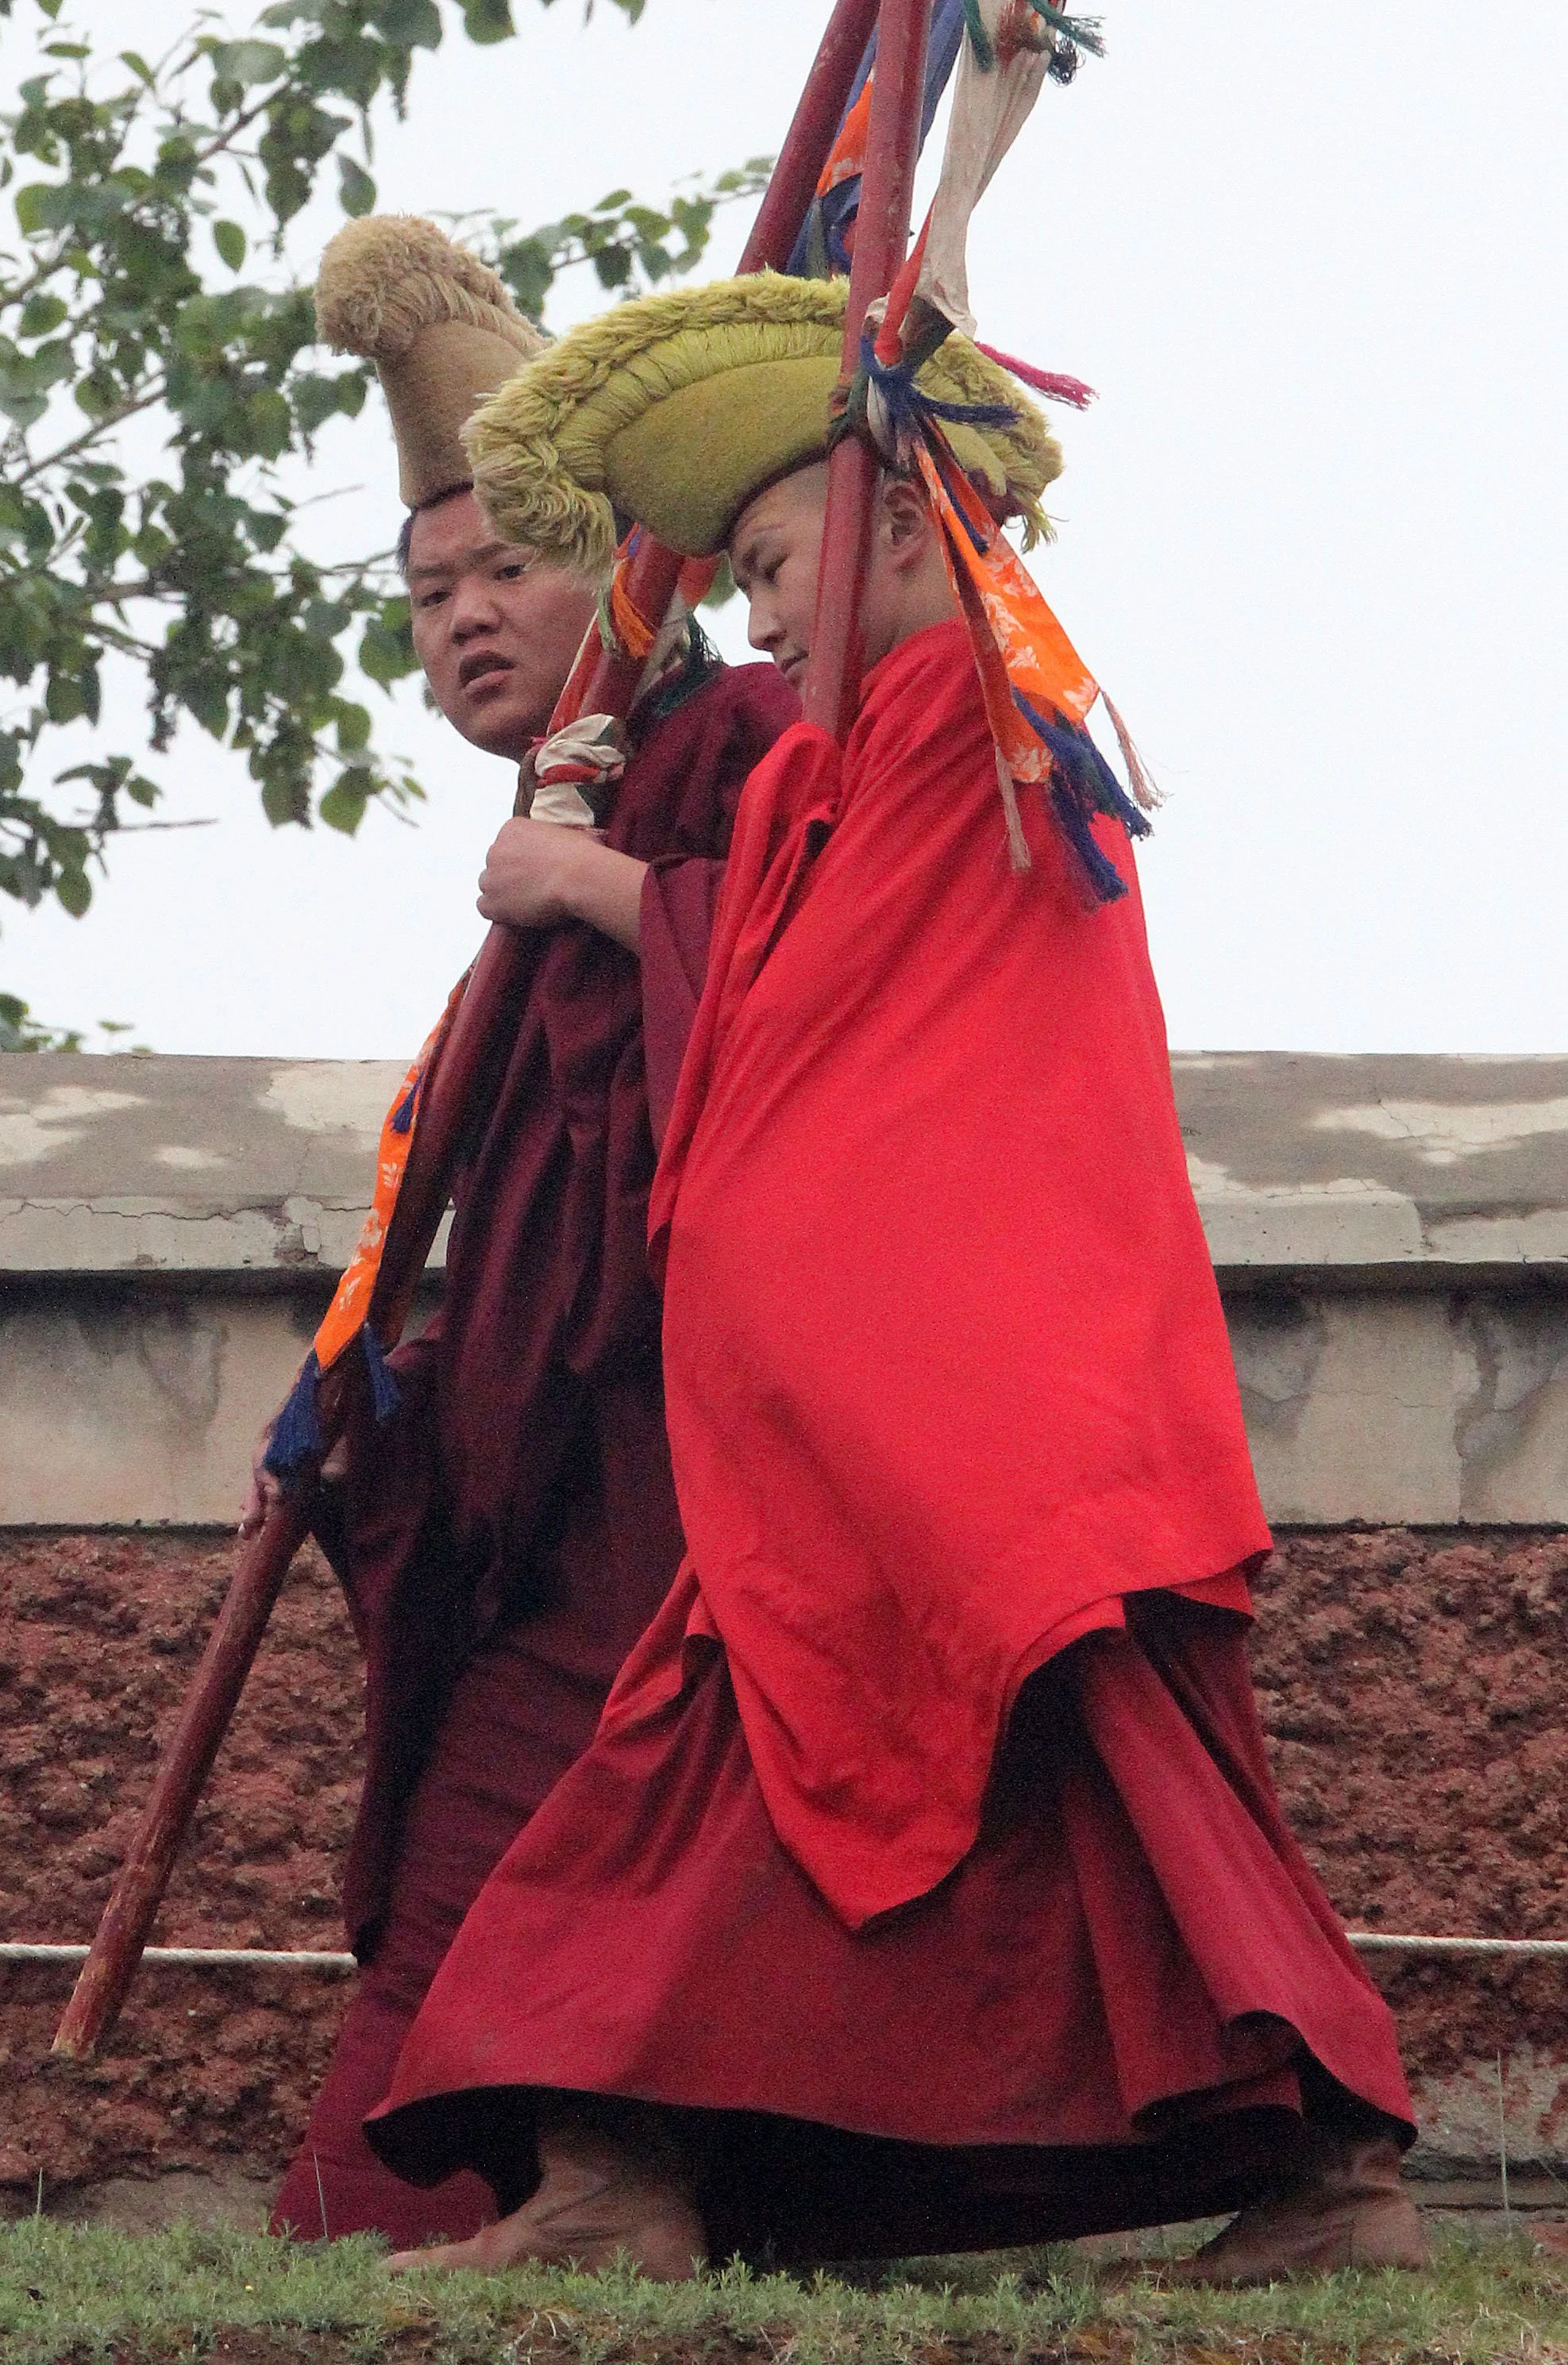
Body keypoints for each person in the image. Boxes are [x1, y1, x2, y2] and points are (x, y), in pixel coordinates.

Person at [359, 272, 1428, 2282]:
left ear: (871, 526)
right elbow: (779, 1014)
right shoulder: (850, 754)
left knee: (797, 1771)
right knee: (1076, 1796)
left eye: (774, 563)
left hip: (942, 1388)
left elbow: (855, 1054)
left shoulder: (974, 722)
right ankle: (1313, 2177)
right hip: (901, 1390)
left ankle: (627, 2184)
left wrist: (596, 889)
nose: (760, 619)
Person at [250, 219, 798, 2248]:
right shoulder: (561, 815)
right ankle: (451, 2209)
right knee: (487, 1848)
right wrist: (404, 1380)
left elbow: (826, 1016)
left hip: (736, 1454)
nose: (465, 617)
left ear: (637, 569)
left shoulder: (743, 749)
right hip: (580, 1475)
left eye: (509, 567)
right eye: (427, 591)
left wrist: (593, 889)